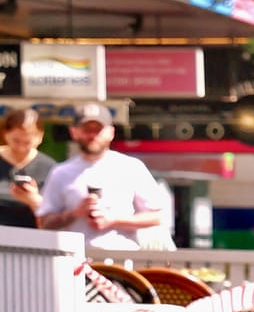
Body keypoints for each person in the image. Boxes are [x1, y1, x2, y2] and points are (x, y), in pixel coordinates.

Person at [37, 103, 170, 248]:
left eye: (98, 129)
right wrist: (75, 213)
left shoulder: (131, 167)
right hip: (76, 260)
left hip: (121, 260)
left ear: (111, 132)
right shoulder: (60, 172)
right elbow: (44, 223)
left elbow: (158, 216)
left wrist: (113, 220)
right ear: (74, 132)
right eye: (86, 129)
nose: (93, 135)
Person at [3, 108, 56, 230]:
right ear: (6, 134)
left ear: (40, 137)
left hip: (32, 238)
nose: (21, 148)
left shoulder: (51, 168)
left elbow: (55, 216)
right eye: (16, 141)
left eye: (27, 142)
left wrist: (33, 200)